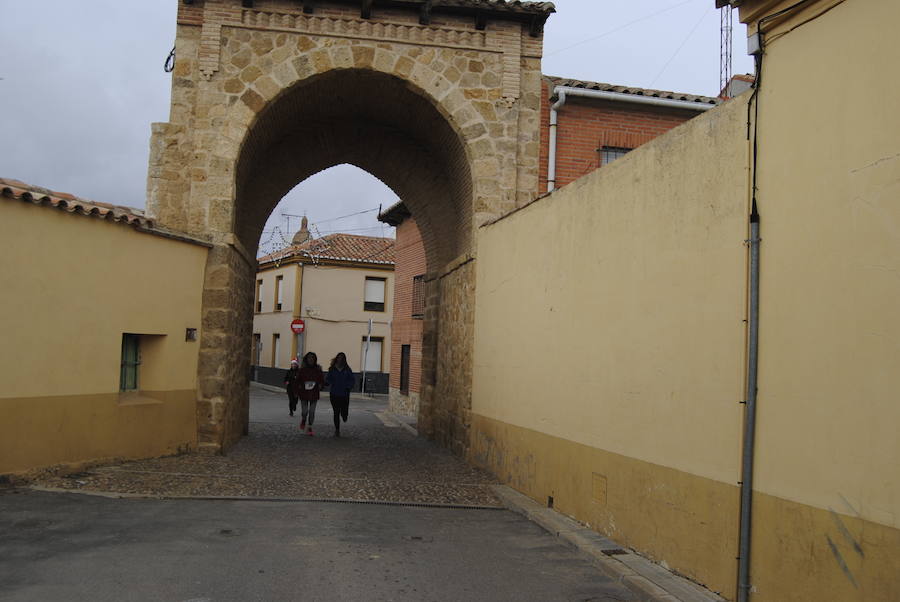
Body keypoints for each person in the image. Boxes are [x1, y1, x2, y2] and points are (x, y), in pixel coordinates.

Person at [295, 351, 325, 436]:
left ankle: (310, 427)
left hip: (314, 393)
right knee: (305, 412)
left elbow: (322, 381)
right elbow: (297, 381)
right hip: (304, 393)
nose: (311, 359)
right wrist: (297, 390)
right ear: (306, 359)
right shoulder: (302, 370)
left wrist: (320, 385)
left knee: (312, 412)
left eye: (312, 358)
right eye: (309, 358)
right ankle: (304, 420)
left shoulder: (318, 370)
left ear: (315, 360)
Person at [326, 352, 354, 438]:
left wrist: (348, 387)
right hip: (334, 393)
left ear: (344, 359)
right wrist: (328, 383)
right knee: (336, 412)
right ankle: (337, 430)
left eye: (342, 358)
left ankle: (344, 415)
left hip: (344, 394)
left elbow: (352, 380)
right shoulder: (332, 369)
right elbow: (328, 379)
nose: (340, 359)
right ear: (336, 358)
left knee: (344, 411)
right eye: (339, 357)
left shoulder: (347, 369)